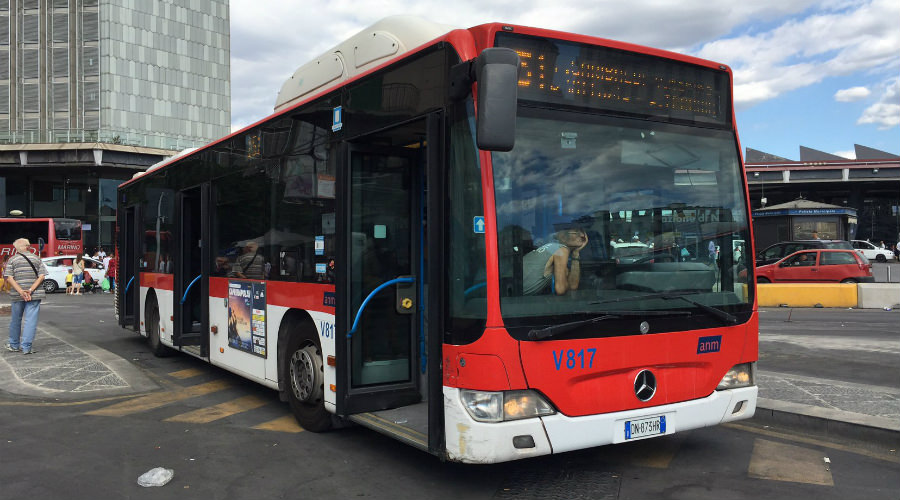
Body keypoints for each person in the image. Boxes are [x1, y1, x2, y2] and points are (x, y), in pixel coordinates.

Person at [4, 238, 49, 355]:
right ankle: (26, 347)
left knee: (15, 319)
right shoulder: (36, 258)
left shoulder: (12, 260)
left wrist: (21, 292)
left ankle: (14, 345)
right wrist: (29, 290)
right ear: (28, 247)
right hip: (34, 294)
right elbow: (42, 276)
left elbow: (9, 278)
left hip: (17, 295)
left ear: (17, 248)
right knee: (31, 320)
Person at [521, 226, 589, 295]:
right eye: (577, 232)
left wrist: (576, 253)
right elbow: (560, 290)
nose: (583, 235)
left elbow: (572, 287)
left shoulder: (552, 249)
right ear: (563, 237)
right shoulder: (560, 250)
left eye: (583, 232)